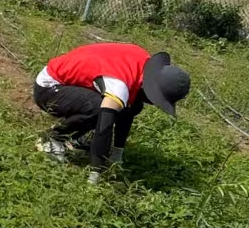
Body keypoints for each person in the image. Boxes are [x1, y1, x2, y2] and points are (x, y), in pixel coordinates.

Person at [32, 41, 190, 180]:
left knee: (130, 106)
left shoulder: (142, 62)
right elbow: (105, 125)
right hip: (49, 89)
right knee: (98, 108)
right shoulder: (119, 85)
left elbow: (129, 110)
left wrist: (117, 152)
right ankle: (53, 138)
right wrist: (96, 173)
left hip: (73, 85)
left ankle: (74, 139)